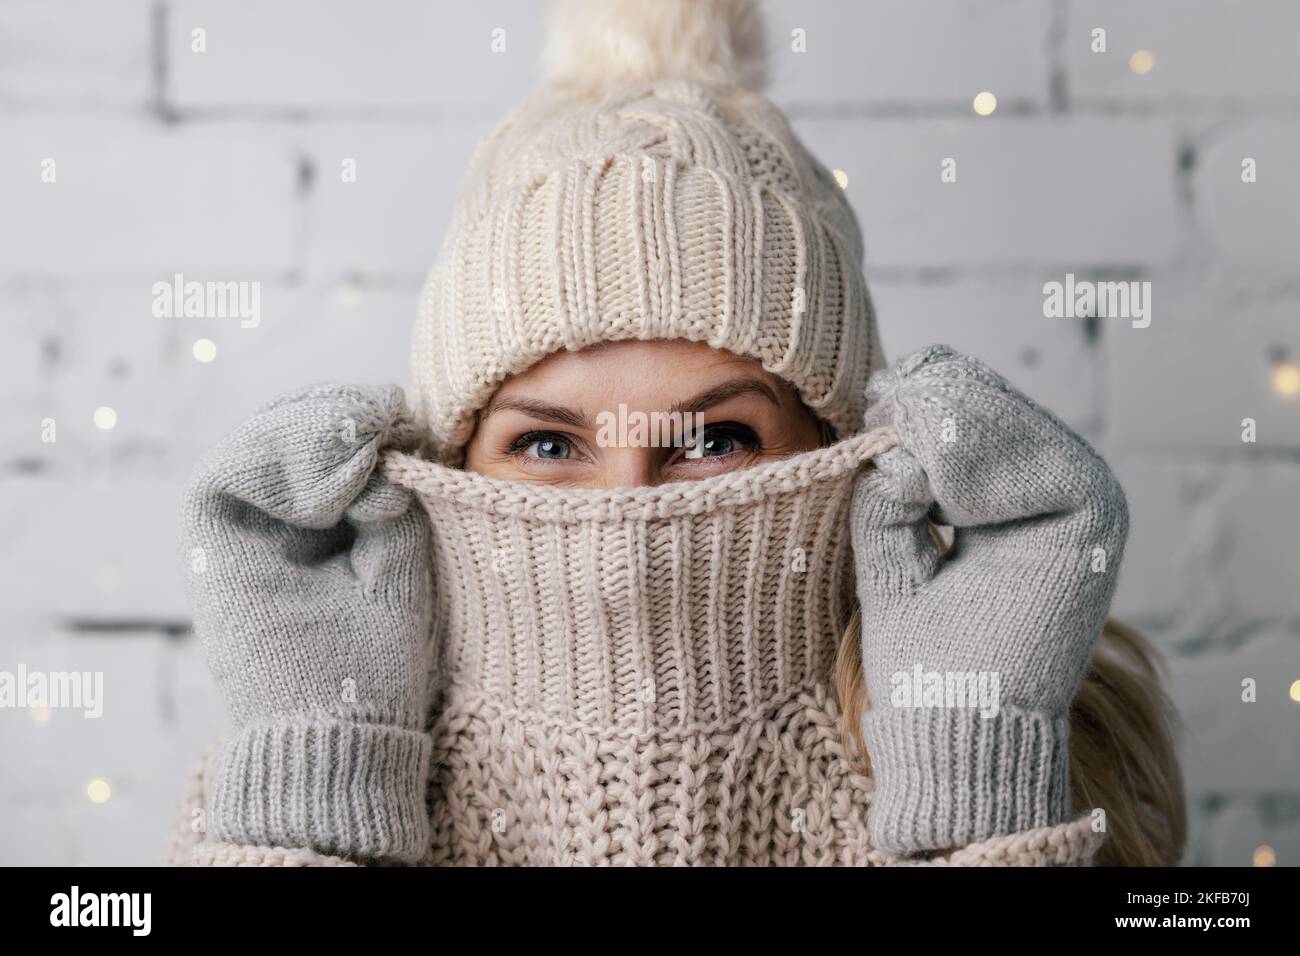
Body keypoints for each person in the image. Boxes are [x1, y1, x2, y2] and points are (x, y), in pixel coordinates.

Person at [164, 0, 1183, 867]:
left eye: (716, 439)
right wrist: (319, 792)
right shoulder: (289, 758)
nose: (630, 516)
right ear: (444, 460)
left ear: (847, 449)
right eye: (549, 445)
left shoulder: (1055, 746)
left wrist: (975, 773)